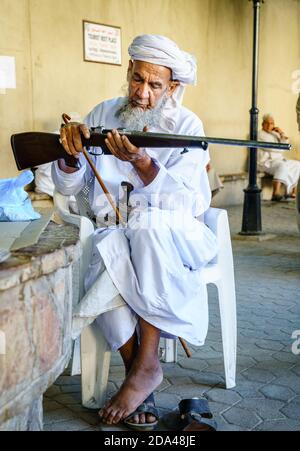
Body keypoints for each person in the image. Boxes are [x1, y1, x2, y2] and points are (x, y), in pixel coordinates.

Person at [52, 34, 218, 430]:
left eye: (155, 85)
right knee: (106, 254)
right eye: (137, 80)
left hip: (173, 233)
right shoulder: (103, 113)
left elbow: (188, 201)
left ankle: (145, 366)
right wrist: (70, 158)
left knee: (148, 230)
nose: (143, 93)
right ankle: (141, 376)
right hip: (113, 229)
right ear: (128, 72)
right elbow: (72, 190)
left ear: (172, 87)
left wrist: (144, 165)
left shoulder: (187, 125)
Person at [258, 114, 300, 201]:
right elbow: (270, 147)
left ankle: (292, 192)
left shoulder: (275, 134)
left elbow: (285, 143)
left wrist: (281, 132)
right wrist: (281, 148)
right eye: (267, 123)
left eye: (272, 123)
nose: (270, 126)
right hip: (267, 162)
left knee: (297, 165)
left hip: (279, 159)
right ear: (262, 124)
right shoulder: (259, 134)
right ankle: (275, 193)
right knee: (282, 166)